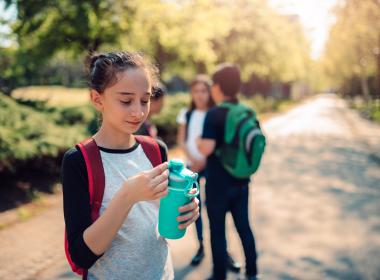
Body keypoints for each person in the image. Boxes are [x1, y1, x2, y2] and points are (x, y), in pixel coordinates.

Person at [61, 51, 199, 280]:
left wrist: (185, 209)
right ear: (97, 99)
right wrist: (127, 195)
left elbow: (159, 219)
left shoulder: (156, 149)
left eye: (145, 100)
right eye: (126, 101)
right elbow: (81, 256)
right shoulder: (79, 160)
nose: (138, 111)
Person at [197, 64, 259, 280]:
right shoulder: (246, 111)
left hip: (217, 185)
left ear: (218, 87)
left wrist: (198, 142)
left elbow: (207, 148)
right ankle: (252, 272)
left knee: (217, 231)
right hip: (242, 182)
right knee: (244, 228)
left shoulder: (214, 114)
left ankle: (220, 275)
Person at [176, 75, 241, 271]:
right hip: (191, 167)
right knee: (195, 207)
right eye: (195, 91)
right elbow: (181, 140)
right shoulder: (186, 114)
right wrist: (193, 160)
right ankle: (201, 246)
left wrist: (204, 161)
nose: (199, 95)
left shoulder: (215, 113)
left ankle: (223, 252)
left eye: (203, 90)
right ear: (191, 93)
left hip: (211, 167)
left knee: (217, 211)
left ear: (210, 92)